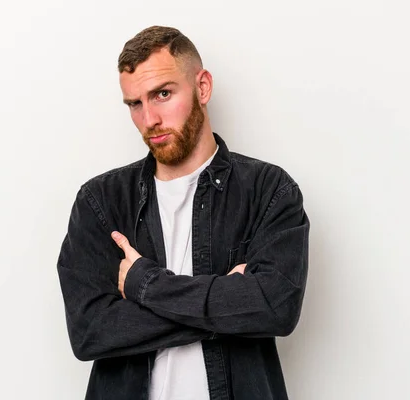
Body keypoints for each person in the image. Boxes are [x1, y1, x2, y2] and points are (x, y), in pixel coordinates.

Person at [57, 25, 310, 400]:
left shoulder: (268, 190)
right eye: (135, 104)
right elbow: (90, 331)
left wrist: (145, 284)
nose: (149, 119)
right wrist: (229, 306)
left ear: (202, 87)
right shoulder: (101, 201)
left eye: (162, 94)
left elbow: (276, 308)